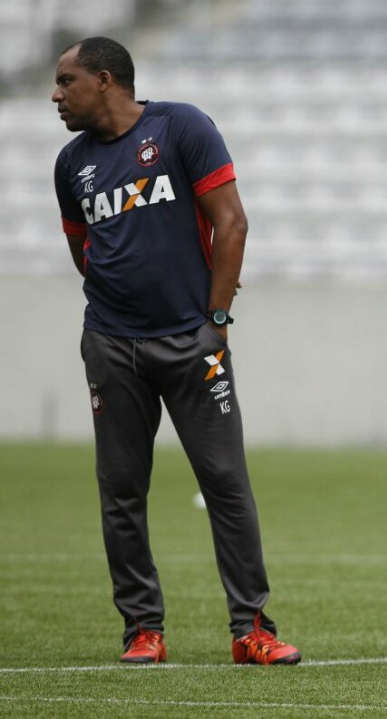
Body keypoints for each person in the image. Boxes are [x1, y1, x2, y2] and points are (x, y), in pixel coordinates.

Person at [52, 37, 300, 665]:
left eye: (66, 81)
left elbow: (232, 222)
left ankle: (251, 629)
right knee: (121, 491)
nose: (56, 95)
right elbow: (84, 252)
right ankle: (143, 630)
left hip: (193, 341)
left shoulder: (181, 127)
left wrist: (215, 321)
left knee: (226, 484)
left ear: (105, 80)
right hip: (111, 346)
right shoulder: (70, 164)